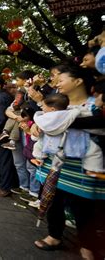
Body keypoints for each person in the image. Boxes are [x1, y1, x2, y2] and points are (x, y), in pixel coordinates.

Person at [33, 64, 105, 260]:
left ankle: (88, 244)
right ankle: (54, 235)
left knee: (84, 207)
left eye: (61, 79)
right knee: (54, 201)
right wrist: (37, 128)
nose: (57, 83)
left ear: (78, 81)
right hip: (55, 162)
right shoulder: (59, 103)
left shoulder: (95, 104)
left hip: (83, 164)